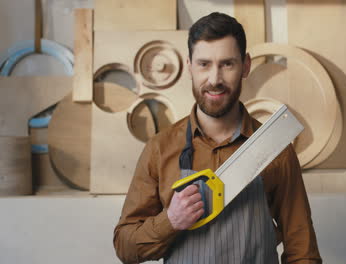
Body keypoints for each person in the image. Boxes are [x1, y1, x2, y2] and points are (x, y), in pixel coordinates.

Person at [113, 12, 322, 264]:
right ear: (189, 66)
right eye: (204, 64)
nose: (214, 79)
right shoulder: (160, 149)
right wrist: (170, 221)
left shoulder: (275, 148)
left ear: (245, 66)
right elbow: (125, 248)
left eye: (227, 64)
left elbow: (303, 251)